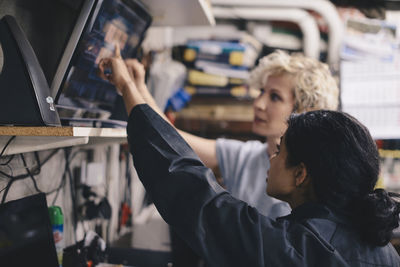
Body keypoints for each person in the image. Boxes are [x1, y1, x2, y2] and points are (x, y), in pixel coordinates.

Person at [99, 48, 400, 266]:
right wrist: (135, 88)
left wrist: (128, 87)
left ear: (301, 174)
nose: (271, 157)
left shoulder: (294, 248)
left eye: (281, 152)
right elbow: (174, 144)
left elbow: (193, 193)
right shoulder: (379, 248)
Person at [122, 49, 339, 219]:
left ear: (304, 111)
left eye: (274, 97)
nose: (258, 103)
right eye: (262, 92)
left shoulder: (314, 184)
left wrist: (130, 86)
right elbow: (170, 137)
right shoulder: (246, 157)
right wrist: (135, 85)